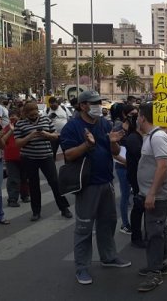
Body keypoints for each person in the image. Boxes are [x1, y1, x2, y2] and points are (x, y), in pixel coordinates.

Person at [59, 90, 130, 285]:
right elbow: (69, 155)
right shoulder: (72, 127)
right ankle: (81, 267)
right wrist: (86, 145)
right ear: (83, 106)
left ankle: (108, 257)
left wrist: (114, 143)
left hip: (106, 180)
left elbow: (113, 151)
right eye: (95, 102)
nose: (99, 105)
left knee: (108, 223)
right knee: (84, 227)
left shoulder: (104, 123)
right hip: (87, 184)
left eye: (100, 102)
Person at [135, 103, 167, 292]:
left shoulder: (157, 137)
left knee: (154, 232)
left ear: (143, 117)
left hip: (156, 195)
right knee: (158, 229)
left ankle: (155, 272)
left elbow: (162, 166)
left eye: (138, 115)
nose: (136, 119)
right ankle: (161, 263)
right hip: (152, 193)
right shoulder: (151, 136)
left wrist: (151, 193)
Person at [15, 102, 72, 221]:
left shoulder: (45, 120)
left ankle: (64, 208)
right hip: (29, 158)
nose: (34, 116)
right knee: (34, 185)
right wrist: (30, 136)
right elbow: (17, 143)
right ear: (25, 114)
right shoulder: (20, 124)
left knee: (55, 183)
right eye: (30, 114)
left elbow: (56, 135)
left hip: (46, 157)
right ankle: (36, 211)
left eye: (35, 113)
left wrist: (46, 134)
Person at [113, 105, 138, 235]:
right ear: (125, 115)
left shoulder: (137, 129)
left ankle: (135, 222)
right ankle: (124, 223)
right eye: (131, 114)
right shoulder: (117, 129)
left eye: (136, 114)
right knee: (125, 194)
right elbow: (113, 151)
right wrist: (126, 162)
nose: (134, 116)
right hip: (122, 167)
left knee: (137, 195)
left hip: (135, 166)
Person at [124, 112, 147, 248]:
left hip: (139, 176)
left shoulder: (138, 137)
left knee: (140, 207)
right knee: (138, 207)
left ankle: (138, 234)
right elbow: (141, 156)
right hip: (136, 177)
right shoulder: (133, 138)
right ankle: (136, 236)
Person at [3, 109, 30, 207]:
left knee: (25, 177)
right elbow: (2, 140)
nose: (13, 117)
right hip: (11, 157)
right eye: (11, 115)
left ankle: (25, 195)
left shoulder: (24, 127)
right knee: (13, 178)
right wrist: (10, 131)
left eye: (15, 115)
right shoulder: (6, 128)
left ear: (19, 116)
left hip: (24, 155)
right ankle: (12, 199)